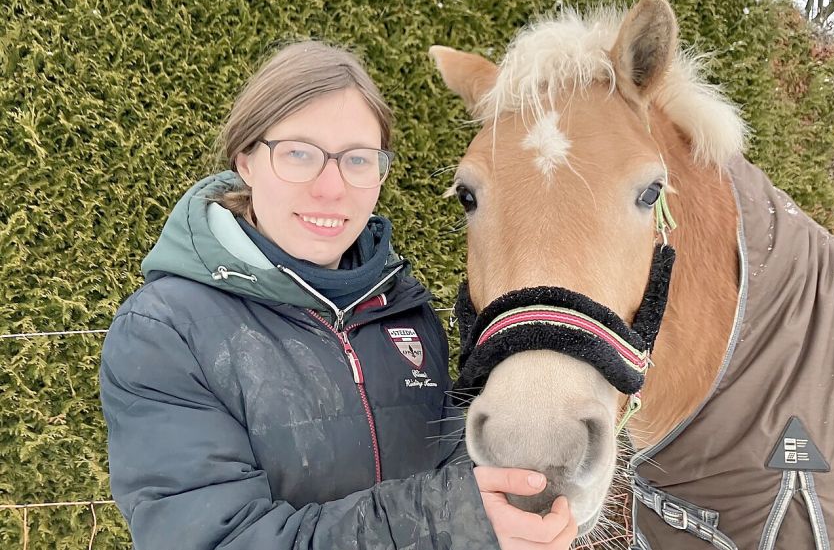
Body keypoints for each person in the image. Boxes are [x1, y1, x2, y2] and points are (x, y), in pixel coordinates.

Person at [99, 40, 578, 549]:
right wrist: (451, 523)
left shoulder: (402, 309)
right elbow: (219, 540)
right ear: (245, 160)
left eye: (358, 159)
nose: (331, 188)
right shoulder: (165, 333)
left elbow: (452, 466)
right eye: (299, 154)